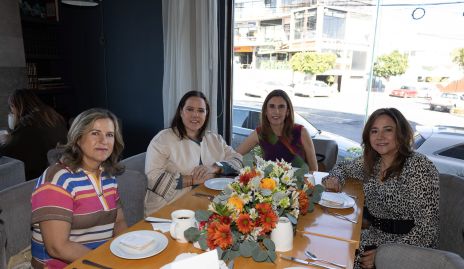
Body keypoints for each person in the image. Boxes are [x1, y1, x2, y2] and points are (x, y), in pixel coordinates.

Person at [323, 108, 439, 269]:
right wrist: (334, 178)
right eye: (374, 131)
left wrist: (386, 255)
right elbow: (342, 168)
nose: (380, 137)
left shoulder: (418, 166)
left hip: (408, 249)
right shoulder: (373, 162)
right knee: (328, 252)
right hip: (374, 236)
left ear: (401, 133)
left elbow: (427, 229)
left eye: (388, 130)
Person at [30, 108, 128, 269]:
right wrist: (106, 263)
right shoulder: (58, 179)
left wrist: (128, 251)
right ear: (78, 138)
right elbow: (57, 247)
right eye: (95, 133)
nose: (104, 140)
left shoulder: (108, 175)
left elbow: (119, 221)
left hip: (99, 259)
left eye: (110, 135)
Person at [144, 90, 243, 215]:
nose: (195, 115)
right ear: (181, 112)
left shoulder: (215, 139)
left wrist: (215, 167)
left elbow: (238, 160)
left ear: (206, 114)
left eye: (201, 110)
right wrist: (192, 180)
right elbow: (153, 178)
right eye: (190, 109)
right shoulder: (163, 139)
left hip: (210, 205)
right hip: (169, 209)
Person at [236, 89, 318, 171]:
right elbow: (235, 156)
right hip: (270, 183)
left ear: (287, 112)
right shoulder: (260, 133)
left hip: (299, 182)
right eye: (272, 106)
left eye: (281, 107)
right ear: (265, 111)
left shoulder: (301, 132)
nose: (276, 111)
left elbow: (314, 170)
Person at [0, 89, 67, 180]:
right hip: (60, 167)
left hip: (38, 175)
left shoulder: (28, 123)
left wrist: (7, 141)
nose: (12, 111)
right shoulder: (52, 115)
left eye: (12, 107)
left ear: (17, 106)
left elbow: (9, 152)